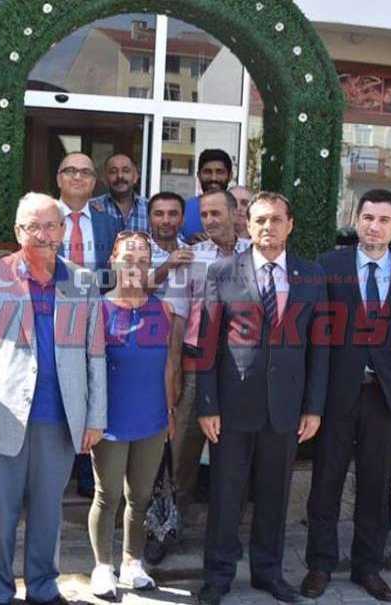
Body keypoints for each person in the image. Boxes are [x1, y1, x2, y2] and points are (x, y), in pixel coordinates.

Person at [0, 192, 107, 605]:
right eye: (32, 226)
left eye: (50, 225)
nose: (42, 234)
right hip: (1, 419)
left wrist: (95, 417)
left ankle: (43, 589)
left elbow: (96, 354)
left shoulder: (82, 282)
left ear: (63, 230)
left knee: (48, 513)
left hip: (59, 419)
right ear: (17, 231)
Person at [195, 192, 328, 605]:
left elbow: (319, 348)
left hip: (286, 409)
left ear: (290, 224)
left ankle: (268, 573)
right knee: (226, 496)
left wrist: (314, 406)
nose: (267, 227)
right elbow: (207, 342)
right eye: (259, 220)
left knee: (275, 496)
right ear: (246, 226)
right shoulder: (221, 273)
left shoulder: (311, 276)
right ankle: (217, 577)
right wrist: (207, 405)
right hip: (233, 408)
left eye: (275, 219)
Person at [302, 188, 391, 603]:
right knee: (326, 481)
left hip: (385, 399)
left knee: (377, 485)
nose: (375, 227)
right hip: (338, 396)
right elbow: (317, 340)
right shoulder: (329, 265)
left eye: (384, 220)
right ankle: (320, 565)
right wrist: (313, 404)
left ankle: (368, 567)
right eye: (368, 218)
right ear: (357, 220)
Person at [88, 231, 183, 600]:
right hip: (110, 420)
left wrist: (170, 411)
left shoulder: (164, 310)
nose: (136, 265)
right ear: (113, 260)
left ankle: (133, 562)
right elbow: (89, 372)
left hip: (152, 418)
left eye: (143, 259)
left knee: (140, 496)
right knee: (107, 494)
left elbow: (169, 368)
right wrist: (89, 420)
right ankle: (102, 567)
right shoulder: (96, 309)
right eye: (128, 257)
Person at [167, 190, 250, 530]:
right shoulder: (191, 258)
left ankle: (228, 530)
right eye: (205, 215)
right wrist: (173, 372)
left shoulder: (257, 256)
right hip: (196, 363)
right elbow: (177, 318)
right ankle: (167, 525)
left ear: (235, 214)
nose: (211, 220)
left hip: (242, 368)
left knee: (236, 451)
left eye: (217, 213)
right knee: (182, 452)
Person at [56, 152, 121, 497]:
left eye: (85, 172)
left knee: (91, 387)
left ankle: (85, 472)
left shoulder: (107, 223)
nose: (78, 177)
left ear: (94, 182)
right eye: (71, 171)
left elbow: (114, 274)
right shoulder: (45, 216)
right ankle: (57, 469)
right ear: (59, 179)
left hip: (96, 319)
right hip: (53, 319)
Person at [180, 149, 234, 242]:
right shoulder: (184, 209)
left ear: (230, 176)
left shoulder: (240, 208)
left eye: (219, 172)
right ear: (199, 175)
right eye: (208, 172)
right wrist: (188, 243)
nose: (213, 178)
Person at [95, 153, 150, 232]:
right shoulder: (92, 208)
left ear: (135, 177)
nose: (120, 176)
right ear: (105, 179)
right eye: (113, 172)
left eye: (126, 171)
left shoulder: (149, 209)